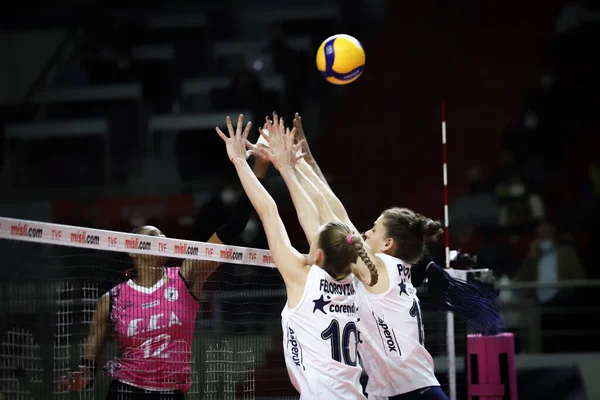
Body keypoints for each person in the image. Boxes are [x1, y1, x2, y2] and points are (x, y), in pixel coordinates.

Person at [278, 113, 503, 400]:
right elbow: (336, 212)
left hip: (413, 394)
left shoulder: (380, 268)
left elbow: (325, 222)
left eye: (373, 229)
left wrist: (290, 168)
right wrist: (305, 161)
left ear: (387, 243)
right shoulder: (390, 269)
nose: (364, 233)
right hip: (410, 393)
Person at [58, 150, 270, 399]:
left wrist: (260, 167)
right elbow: (89, 361)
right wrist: (82, 374)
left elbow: (234, 226)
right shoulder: (112, 298)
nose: (164, 240)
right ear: (133, 252)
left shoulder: (186, 277)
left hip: (170, 393)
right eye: (154, 237)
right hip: (125, 392)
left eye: (164, 237)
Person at [216, 114, 376, 399]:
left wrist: (240, 160)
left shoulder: (302, 278)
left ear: (318, 253)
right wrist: (290, 165)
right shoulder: (358, 278)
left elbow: (269, 211)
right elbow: (327, 215)